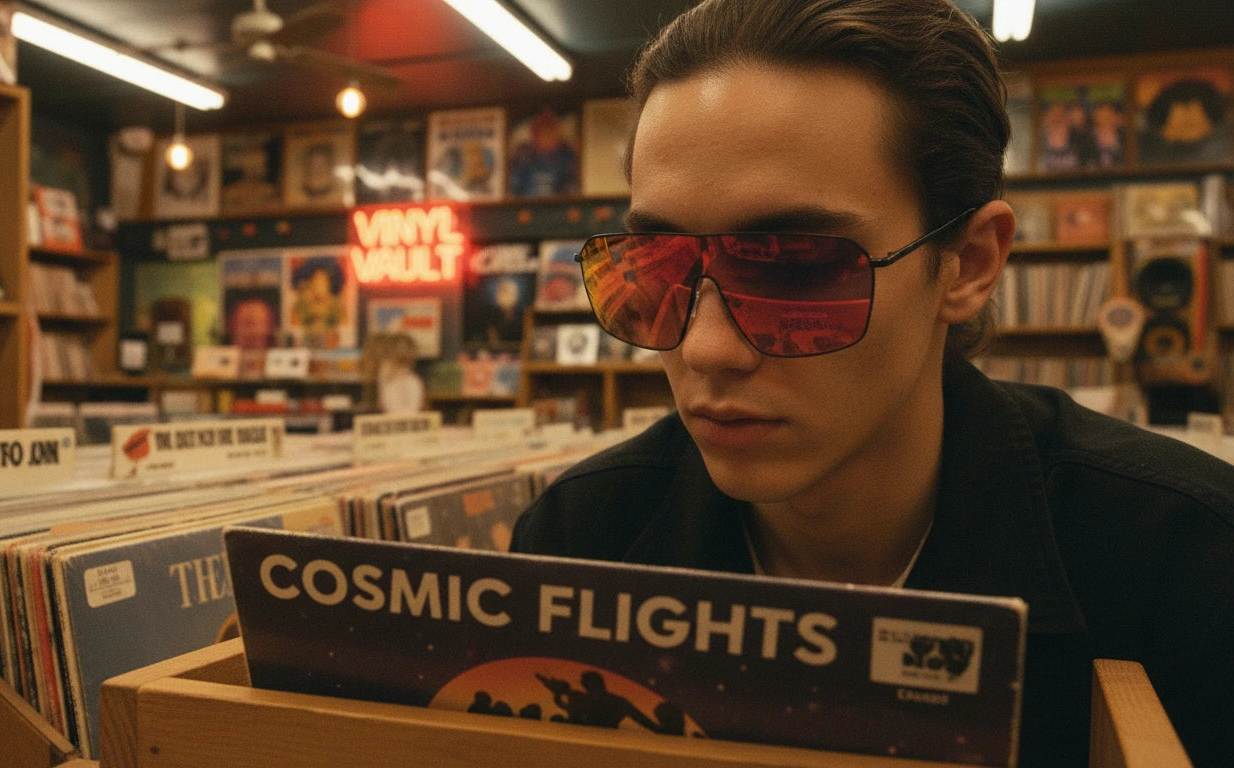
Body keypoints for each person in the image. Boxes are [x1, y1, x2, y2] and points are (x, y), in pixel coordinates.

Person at [508, 2, 1234, 766]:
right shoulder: (575, 546)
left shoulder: (1185, 567)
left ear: (969, 264)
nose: (707, 348)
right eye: (656, 266)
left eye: (796, 268)